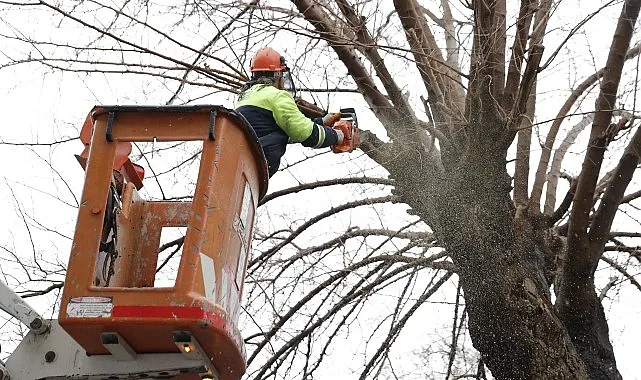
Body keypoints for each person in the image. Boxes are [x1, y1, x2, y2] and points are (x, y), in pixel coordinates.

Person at [235, 47, 343, 178]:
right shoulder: (277, 96)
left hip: (244, 159)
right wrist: (337, 136)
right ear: (277, 75)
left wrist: (320, 122)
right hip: (260, 161)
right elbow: (305, 134)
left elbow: (276, 130)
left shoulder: (245, 97)